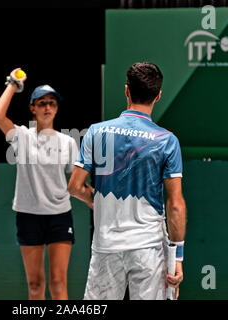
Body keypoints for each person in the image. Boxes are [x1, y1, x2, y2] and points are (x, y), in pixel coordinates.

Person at [68, 62, 186, 300]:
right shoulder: (167, 140)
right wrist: (178, 258)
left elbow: (74, 187)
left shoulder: (96, 132)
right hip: (148, 248)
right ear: (158, 95)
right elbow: (175, 205)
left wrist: (97, 202)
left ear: (126, 91)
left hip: (106, 246)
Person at [0, 69, 80, 300]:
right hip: (28, 215)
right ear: (32, 108)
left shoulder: (69, 142)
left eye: (51, 103)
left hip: (60, 216)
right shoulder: (22, 136)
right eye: (41, 103)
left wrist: (93, 200)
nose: (47, 108)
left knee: (58, 284)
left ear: (57, 108)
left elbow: (76, 183)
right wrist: (13, 84)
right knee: (35, 284)